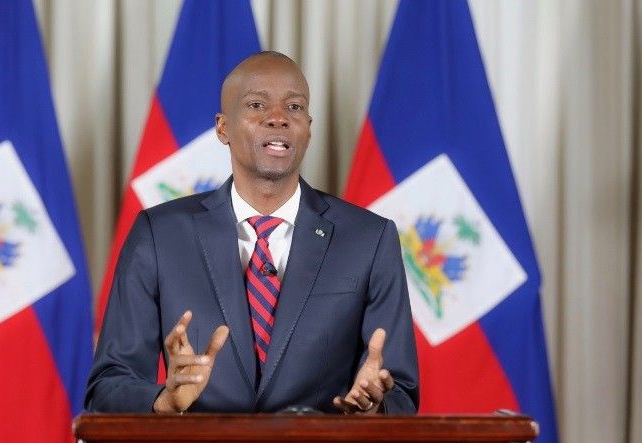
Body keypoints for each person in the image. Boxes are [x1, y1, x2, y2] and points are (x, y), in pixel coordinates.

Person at [85, 51, 419, 415]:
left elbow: (400, 392)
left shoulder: (370, 239)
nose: (278, 118)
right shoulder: (159, 234)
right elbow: (108, 386)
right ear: (222, 128)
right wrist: (165, 401)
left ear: (308, 128)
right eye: (257, 105)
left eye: (294, 107)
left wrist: (374, 409)